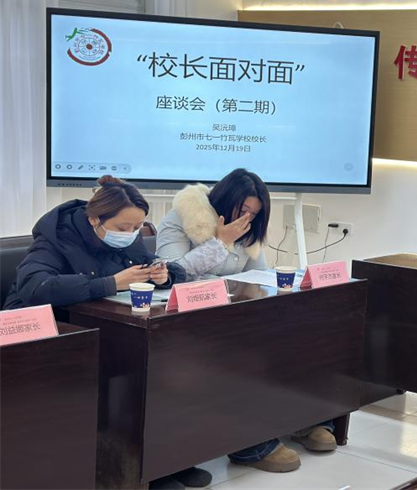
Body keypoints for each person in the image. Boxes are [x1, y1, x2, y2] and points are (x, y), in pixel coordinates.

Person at [156, 168, 337, 479]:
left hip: (233, 316)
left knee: (302, 336)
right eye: (243, 210)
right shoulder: (181, 219)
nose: (247, 219)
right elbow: (171, 276)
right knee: (248, 354)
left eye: (255, 213)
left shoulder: (248, 230)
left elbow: (258, 276)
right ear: (225, 200)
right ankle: (249, 446)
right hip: (188, 324)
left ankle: (305, 419)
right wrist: (220, 242)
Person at [3, 175, 185, 310]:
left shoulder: (131, 238)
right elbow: (36, 288)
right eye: (122, 228)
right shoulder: (58, 237)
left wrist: (163, 276)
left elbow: (172, 269)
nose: (130, 234)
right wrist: (111, 284)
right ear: (94, 219)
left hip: (98, 321)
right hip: (39, 328)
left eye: (137, 227)